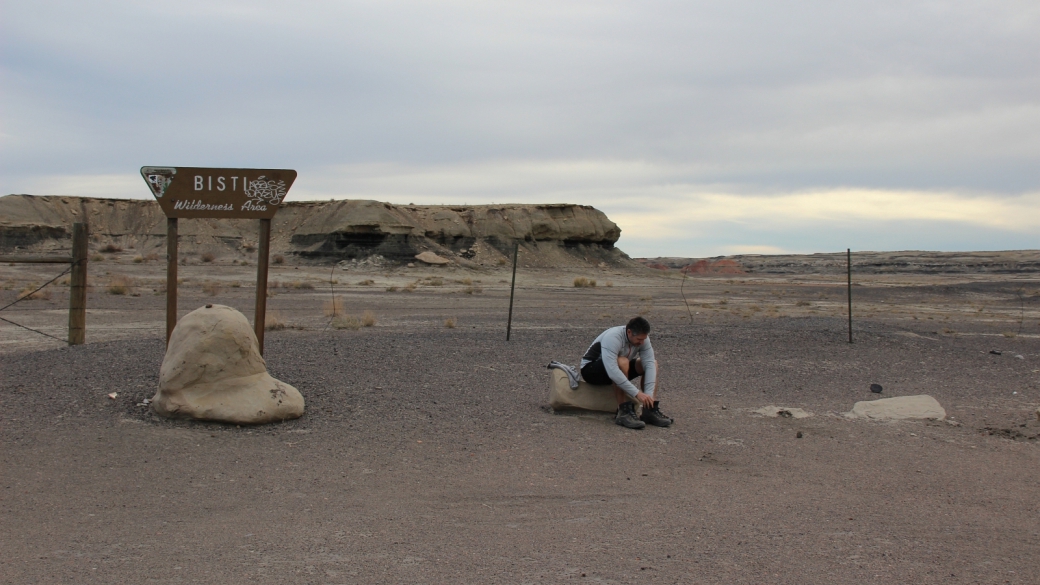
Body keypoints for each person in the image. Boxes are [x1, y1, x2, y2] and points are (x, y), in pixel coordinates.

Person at [580, 316, 673, 429]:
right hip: (591, 370)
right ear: (629, 332)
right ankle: (623, 411)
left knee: (653, 363)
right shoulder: (613, 337)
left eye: (644, 339)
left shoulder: (643, 339)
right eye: (639, 339)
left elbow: (648, 364)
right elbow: (613, 371)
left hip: (616, 367)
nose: (642, 342)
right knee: (622, 361)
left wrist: (648, 396)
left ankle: (648, 411)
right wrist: (637, 393)